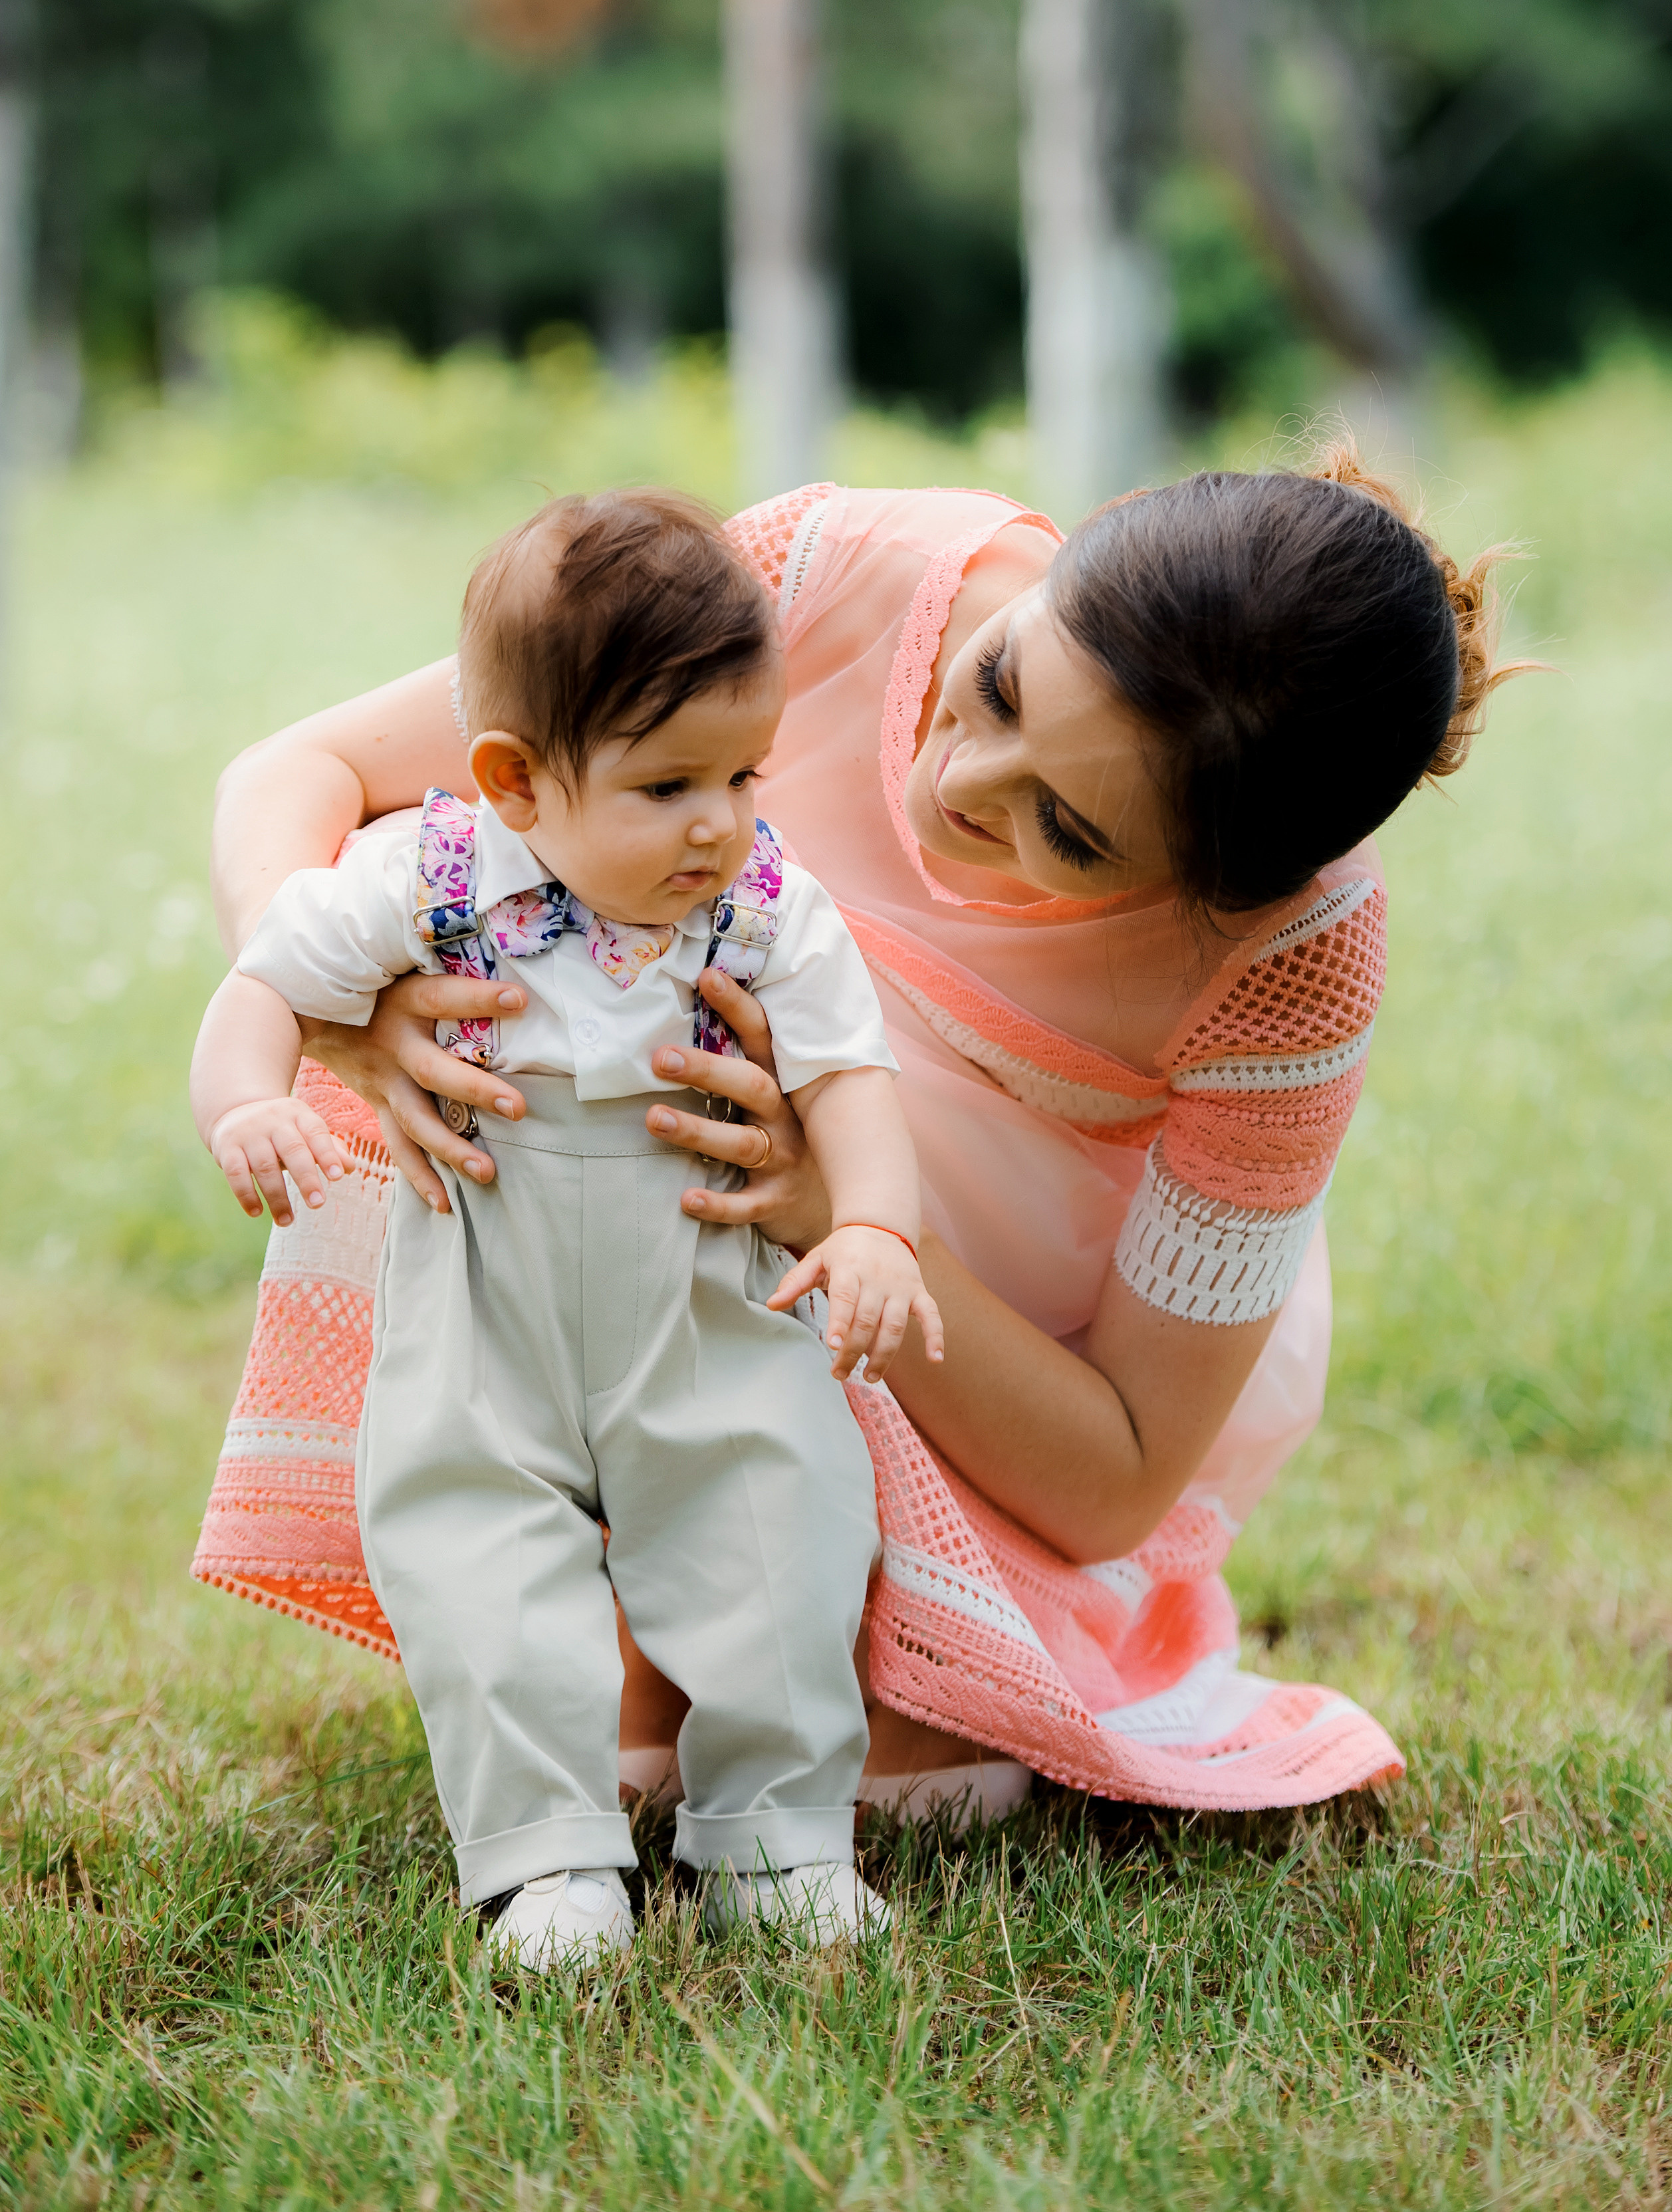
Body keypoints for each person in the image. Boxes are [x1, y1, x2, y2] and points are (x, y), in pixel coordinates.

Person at [196, 445, 1523, 1821]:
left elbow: (1119, 1472)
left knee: (896, 1765)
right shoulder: (836, 576)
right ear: (1095, 536)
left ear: (1224, 886)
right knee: (438, 887)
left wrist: (839, 1209)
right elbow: (307, 769)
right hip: (603, 1224)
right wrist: (366, 1017)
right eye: (1004, 682)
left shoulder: (1289, 959)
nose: (965, 778)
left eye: (1062, 831)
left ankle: (849, 1602)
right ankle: (601, 1548)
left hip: (943, 1314)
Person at [191, 488, 945, 1968]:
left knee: (777, 1520)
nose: (719, 820)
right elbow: (267, 984)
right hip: (485, 1270)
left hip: (706, 1274)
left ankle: (777, 1841)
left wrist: (876, 1232)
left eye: (743, 771)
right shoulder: (434, 878)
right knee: (476, 1546)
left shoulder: (769, 902)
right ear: (515, 781)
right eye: (668, 786)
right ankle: (544, 1858)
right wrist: (245, 1104)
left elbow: (851, 1075)